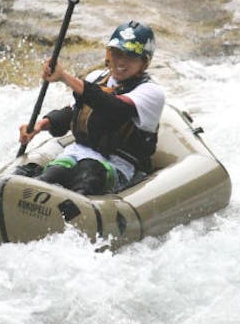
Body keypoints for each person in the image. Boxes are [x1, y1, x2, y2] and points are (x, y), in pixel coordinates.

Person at [16, 20, 165, 195]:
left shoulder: (152, 92)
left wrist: (64, 77)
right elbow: (72, 113)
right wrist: (41, 125)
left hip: (120, 164)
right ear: (108, 54)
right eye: (117, 53)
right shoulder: (96, 78)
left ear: (144, 62)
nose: (121, 62)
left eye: (130, 57)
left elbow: (114, 108)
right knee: (53, 174)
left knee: (89, 171)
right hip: (78, 152)